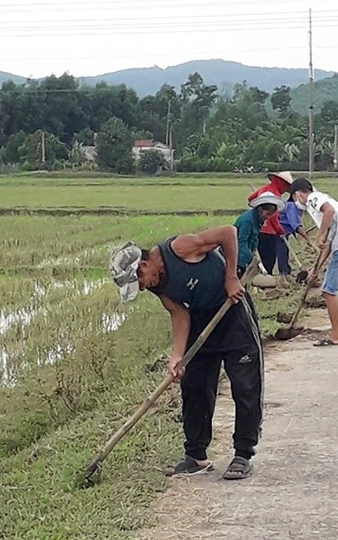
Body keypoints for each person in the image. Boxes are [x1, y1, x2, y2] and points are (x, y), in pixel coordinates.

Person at [108, 225, 263, 481]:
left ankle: (243, 454)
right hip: (201, 320)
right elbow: (179, 314)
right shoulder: (159, 286)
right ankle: (196, 456)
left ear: (143, 266)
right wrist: (177, 356)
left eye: (139, 282)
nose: (143, 288)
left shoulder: (179, 248)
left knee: (246, 385)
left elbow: (228, 233)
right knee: (194, 386)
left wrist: (230, 277)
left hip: (231, 310)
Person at [289, 177, 338, 347]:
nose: (297, 202)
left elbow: (329, 211)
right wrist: (316, 269)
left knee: (328, 291)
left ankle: (336, 335)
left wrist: (319, 234)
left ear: (298, 194)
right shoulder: (325, 198)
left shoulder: (313, 199)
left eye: (295, 198)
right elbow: (328, 245)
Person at [247, 171, 293, 276]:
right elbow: (274, 217)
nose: (285, 189)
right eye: (285, 186)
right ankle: (266, 281)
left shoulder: (264, 189)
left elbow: (250, 199)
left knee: (260, 256)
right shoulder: (275, 195)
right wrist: (280, 230)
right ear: (281, 183)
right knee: (269, 258)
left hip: (258, 228)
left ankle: (258, 278)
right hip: (268, 232)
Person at [234, 192, 285, 278]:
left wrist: (254, 251)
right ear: (260, 209)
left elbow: (254, 239)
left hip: (245, 253)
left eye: (271, 214)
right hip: (235, 255)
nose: (268, 217)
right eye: (267, 214)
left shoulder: (259, 220)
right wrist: (250, 258)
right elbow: (241, 242)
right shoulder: (247, 221)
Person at [278, 192, 315, 284]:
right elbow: (296, 225)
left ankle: (286, 272)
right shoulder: (291, 206)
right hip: (278, 230)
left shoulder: (297, 206)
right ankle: (284, 275)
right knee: (282, 252)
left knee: (285, 251)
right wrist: (308, 239)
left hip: (285, 230)